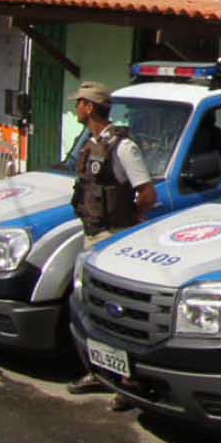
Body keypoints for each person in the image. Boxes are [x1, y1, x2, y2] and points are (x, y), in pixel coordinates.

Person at [58, 82, 158, 388]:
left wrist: (131, 220)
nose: (77, 108)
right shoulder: (92, 143)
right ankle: (100, 371)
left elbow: (148, 194)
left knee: (114, 315)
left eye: (80, 103)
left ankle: (126, 380)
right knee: (89, 310)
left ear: (89, 107)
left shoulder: (123, 147)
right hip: (93, 234)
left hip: (112, 238)